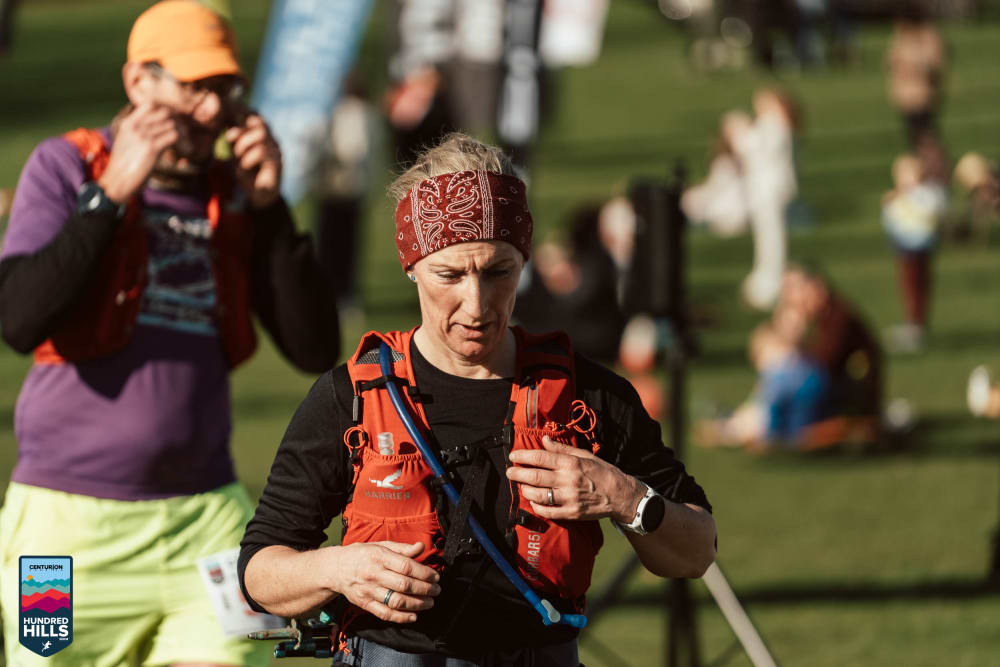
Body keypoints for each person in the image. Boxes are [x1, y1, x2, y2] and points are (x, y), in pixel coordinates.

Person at [239, 133, 716, 665]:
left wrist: (626, 498)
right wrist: (338, 570)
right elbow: (259, 572)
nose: (477, 303)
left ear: (524, 261)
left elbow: (697, 550)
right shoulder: (351, 397)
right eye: (450, 274)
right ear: (411, 266)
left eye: (498, 272)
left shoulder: (587, 397)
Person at [0, 2, 340, 665]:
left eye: (225, 88)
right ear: (138, 82)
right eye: (194, 87)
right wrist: (110, 194)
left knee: (236, 655)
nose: (212, 110)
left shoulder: (234, 194)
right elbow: (19, 318)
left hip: (205, 523)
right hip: (60, 531)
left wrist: (269, 209)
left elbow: (313, 348)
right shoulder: (65, 166)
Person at [774, 265, 882, 424]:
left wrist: (794, 339)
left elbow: (820, 366)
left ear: (817, 287)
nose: (792, 299)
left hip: (846, 405)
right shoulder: (822, 316)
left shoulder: (837, 318)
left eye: (795, 289)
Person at [697, 322, 829, 450]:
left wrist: (768, 437)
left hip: (790, 430)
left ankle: (725, 430)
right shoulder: (807, 367)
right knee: (751, 414)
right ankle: (728, 424)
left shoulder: (779, 377)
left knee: (750, 421)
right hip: (806, 421)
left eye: (760, 356)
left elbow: (773, 408)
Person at [881, 151, 948, 352]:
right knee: (908, 286)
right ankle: (912, 323)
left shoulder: (925, 195)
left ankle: (916, 325)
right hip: (904, 248)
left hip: (919, 248)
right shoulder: (897, 198)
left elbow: (932, 213)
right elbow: (892, 219)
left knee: (918, 286)